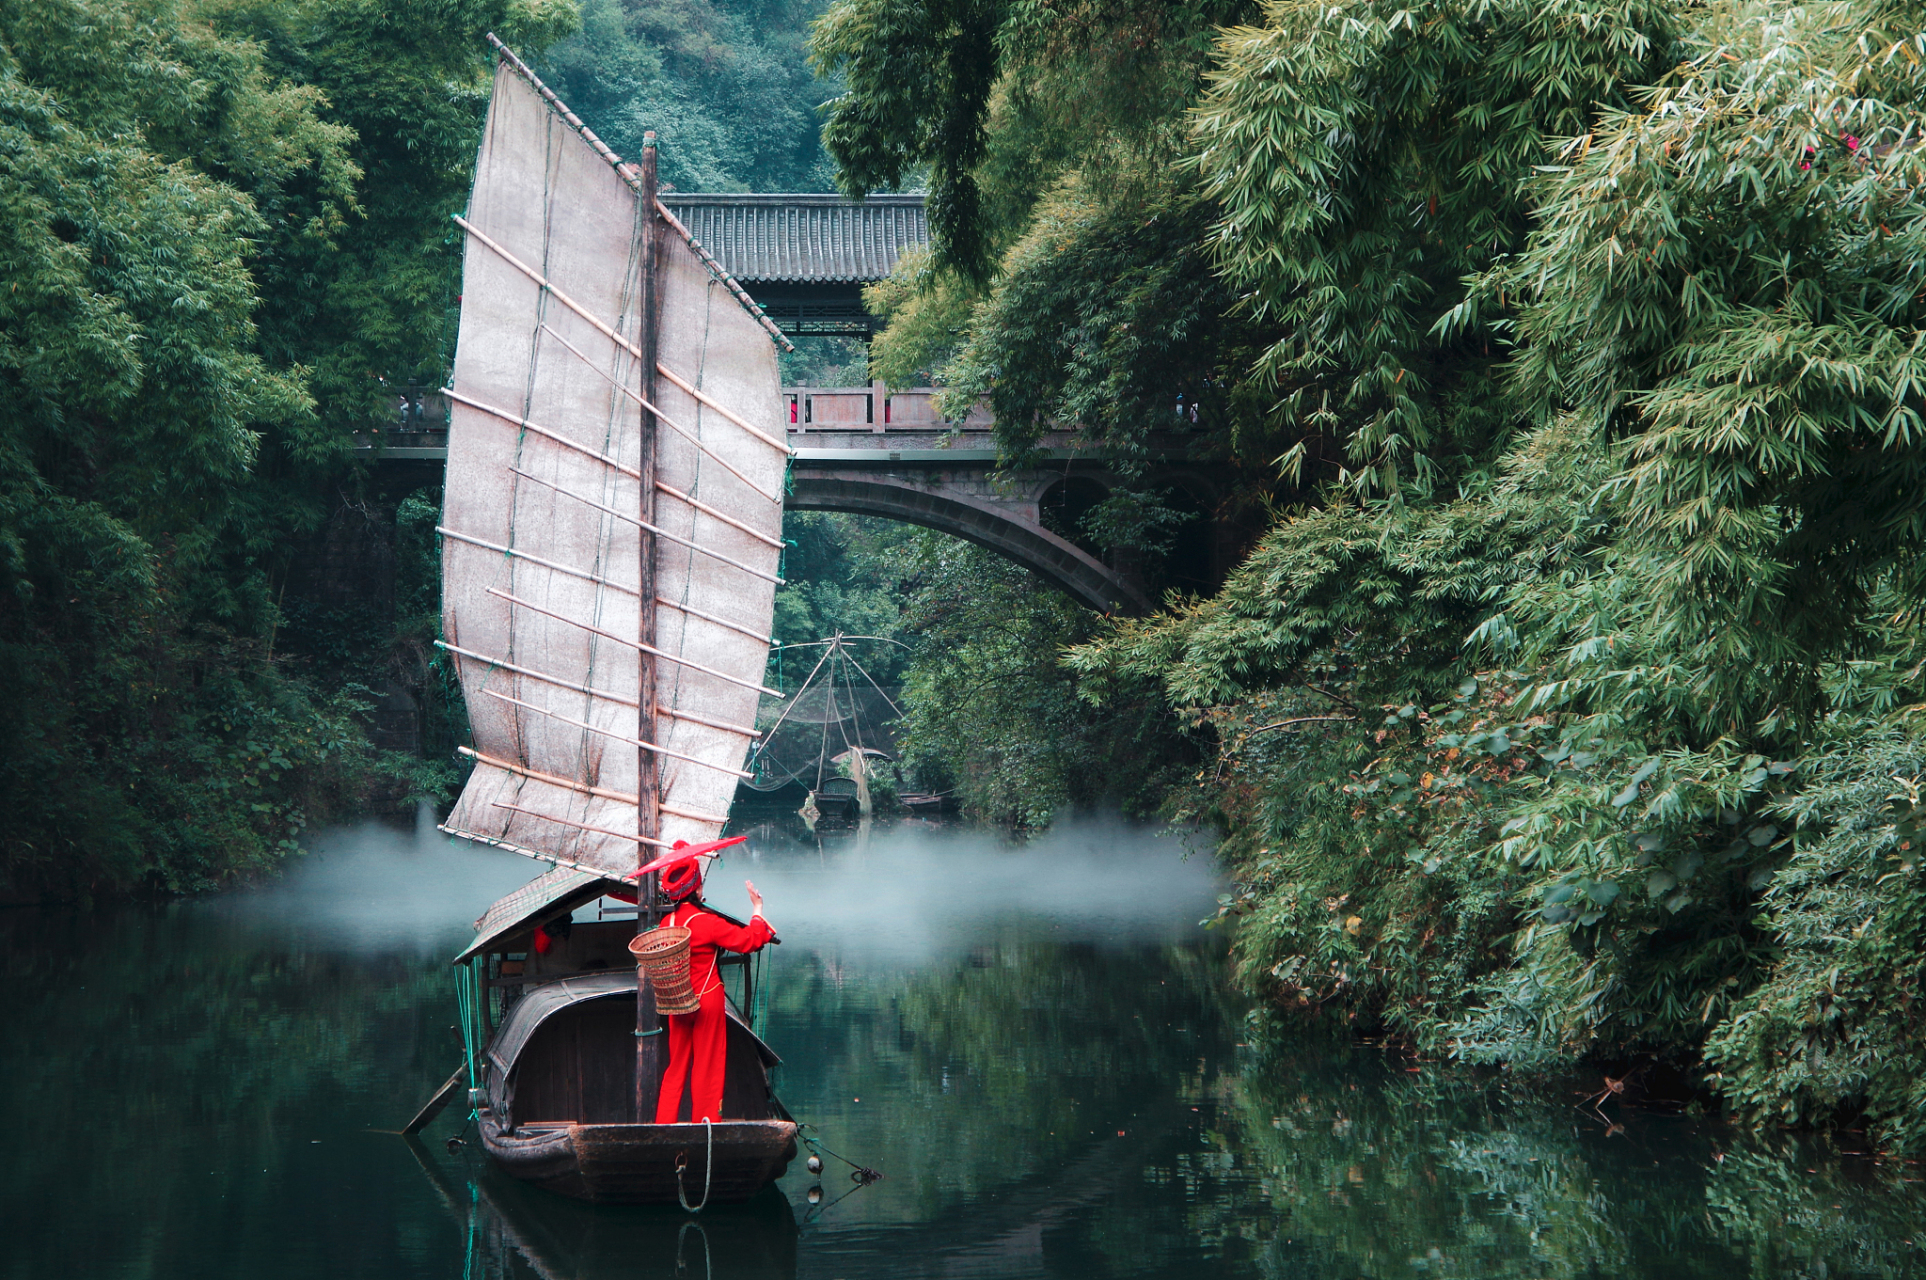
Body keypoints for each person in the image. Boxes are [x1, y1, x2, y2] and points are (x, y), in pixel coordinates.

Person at [652, 856, 775, 1124]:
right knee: (707, 1066)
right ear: (696, 889)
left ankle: (664, 1124)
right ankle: (705, 1126)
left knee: (676, 1067)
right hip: (707, 1000)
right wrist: (757, 908)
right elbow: (749, 940)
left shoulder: (666, 925)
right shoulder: (707, 923)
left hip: (677, 1001)